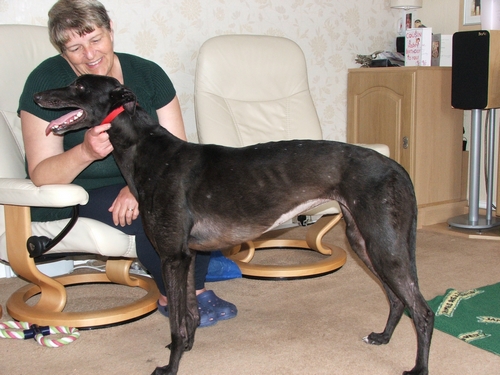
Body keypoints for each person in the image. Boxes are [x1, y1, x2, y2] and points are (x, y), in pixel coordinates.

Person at [18, 0, 237, 327]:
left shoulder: (147, 75)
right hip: (77, 193)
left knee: (192, 199)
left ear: (110, 31)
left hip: (143, 180)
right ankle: (174, 296)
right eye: (75, 48)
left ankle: (193, 288)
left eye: (95, 40)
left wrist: (134, 187)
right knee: (159, 212)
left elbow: (178, 154)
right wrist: (87, 152)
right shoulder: (46, 83)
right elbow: (41, 174)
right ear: (62, 51)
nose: (90, 54)